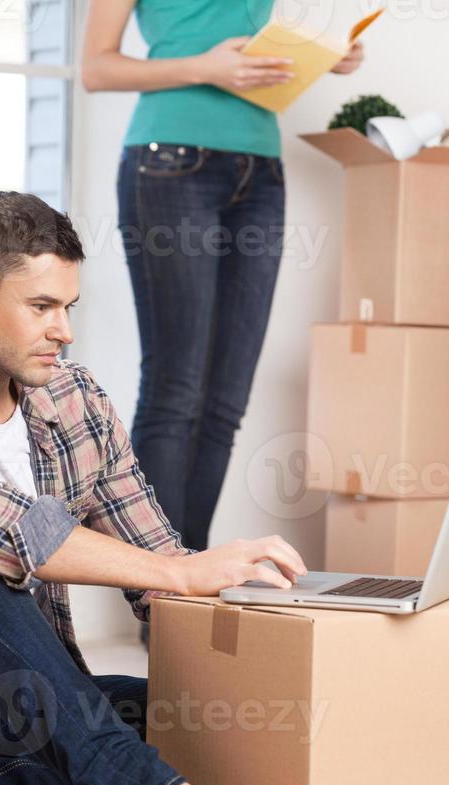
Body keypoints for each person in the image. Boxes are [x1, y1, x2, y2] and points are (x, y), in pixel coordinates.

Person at [0, 192, 310, 785]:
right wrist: (184, 572)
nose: (64, 331)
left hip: (15, 695)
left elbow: (160, 569)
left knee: (195, 722)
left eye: (69, 308)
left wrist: (264, 632)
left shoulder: (74, 401)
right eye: (42, 307)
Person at [82, 0, 363, 551]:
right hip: (169, 164)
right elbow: (97, 68)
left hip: (260, 171)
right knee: (175, 390)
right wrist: (204, 68)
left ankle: (193, 582)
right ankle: (159, 594)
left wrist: (323, 54)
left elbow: (252, 40)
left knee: (226, 399)